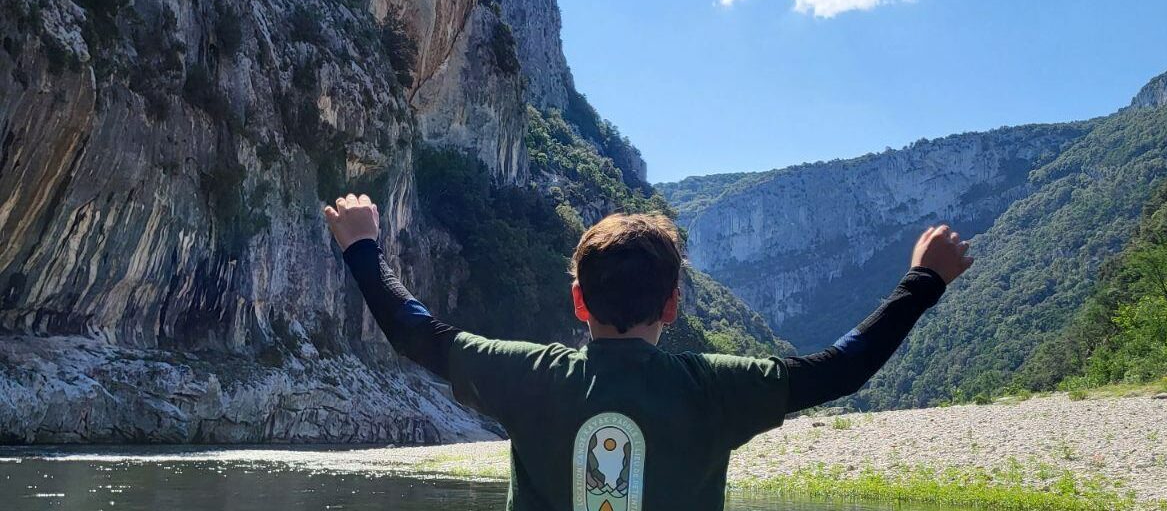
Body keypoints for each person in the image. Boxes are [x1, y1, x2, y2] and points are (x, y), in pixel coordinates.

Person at [323, 192, 973, 511]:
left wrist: (362, 246)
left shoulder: (527, 378)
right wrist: (922, 280)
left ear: (579, 304)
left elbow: (416, 333)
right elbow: (845, 366)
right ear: (673, 305)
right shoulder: (713, 389)